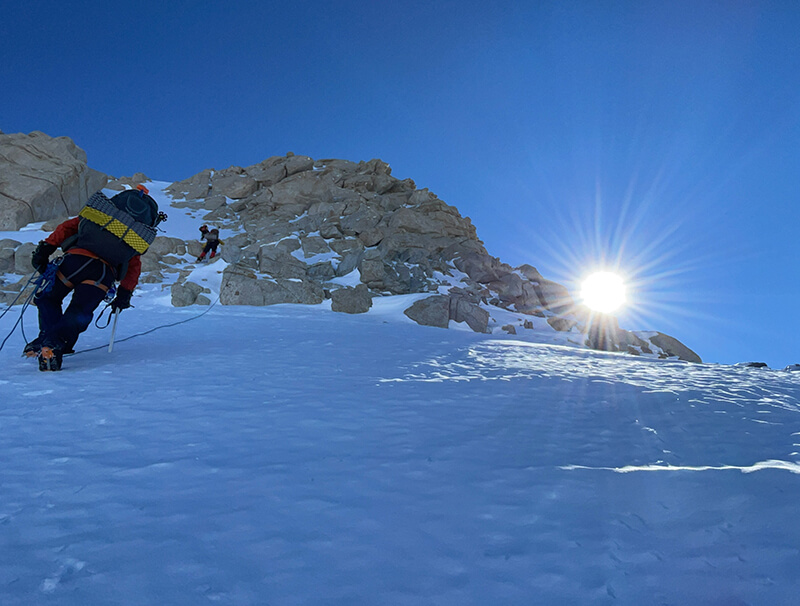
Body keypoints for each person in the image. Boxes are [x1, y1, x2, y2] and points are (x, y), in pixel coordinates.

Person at [25, 185, 156, 371]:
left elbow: (68, 227)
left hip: (74, 262)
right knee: (79, 311)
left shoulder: (100, 215)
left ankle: (47, 339)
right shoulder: (133, 235)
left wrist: (45, 248)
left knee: (48, 298)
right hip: (102, 274)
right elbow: (134, 266)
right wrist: (124, 293)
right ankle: (53, 343)